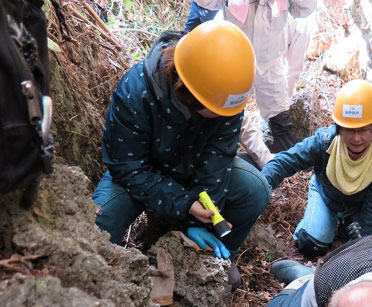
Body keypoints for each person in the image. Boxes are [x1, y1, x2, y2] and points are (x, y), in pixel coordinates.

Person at [91, 22, 271, 287]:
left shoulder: (225, 102)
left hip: (193, 168)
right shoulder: (136, 91)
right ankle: (108, 284)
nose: (226, 117)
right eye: (217, 111)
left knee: (256, 189)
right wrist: (184, 203)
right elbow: (127, 167)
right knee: (101, 221)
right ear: (188, 90)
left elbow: (217, 162)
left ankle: (215, 258)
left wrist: (200, 220)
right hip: (140, 173)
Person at [261, 79, 372, 258]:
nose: (356, 138)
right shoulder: (325, 142)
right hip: (327, 197)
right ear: (339, 128)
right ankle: (330, 224)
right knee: (311, 245)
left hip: (362, 205)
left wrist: (361, 238)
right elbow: (286, 161)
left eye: (363, 130)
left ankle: (345, 228)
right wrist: (260, 188)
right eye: (350, 130)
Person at [187, 0, 317, 153]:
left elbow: (304, 9)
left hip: (270, 63)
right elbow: (205, 3)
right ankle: (214, 157)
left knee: (282, 124)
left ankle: (283, 170)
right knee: (223, 117)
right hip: (233, 62)